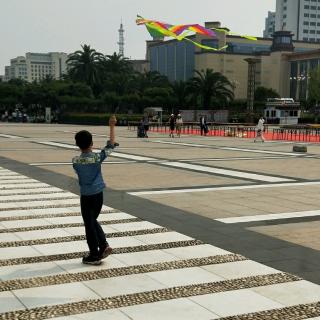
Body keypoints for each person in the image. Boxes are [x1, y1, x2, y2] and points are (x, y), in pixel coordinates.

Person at [72, 130, 116, 265]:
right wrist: (112, 126)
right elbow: (110, 147)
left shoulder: (75, 161)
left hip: (86, 196)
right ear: (91, 143)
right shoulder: (97, 158)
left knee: (89, 224)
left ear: (77, 145)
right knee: (92, 221)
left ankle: (94, 255)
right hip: (98, 195)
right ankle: (103, 245)